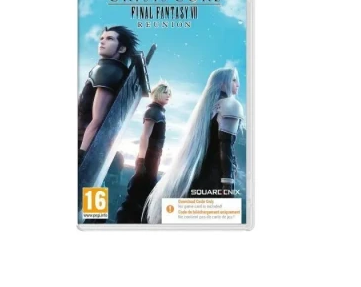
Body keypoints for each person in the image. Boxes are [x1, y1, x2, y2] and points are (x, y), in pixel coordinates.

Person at [144, 67, 243, 224]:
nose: (238, 84)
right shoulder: (230, 105)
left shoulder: (209, 108)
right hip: (216, 177)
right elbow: (226, 147)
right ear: (222, 84)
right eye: (234, 80)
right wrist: (228, 184)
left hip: (199, 175)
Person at [78, 26, 139, 165]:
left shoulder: (108, 69)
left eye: (110, 39)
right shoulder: (108, 68)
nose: (102, 41)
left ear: (121, 49)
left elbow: (97, 120)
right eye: (102, 38)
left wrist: (81, 154)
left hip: (82, 142)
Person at [116, 81, 172, 223]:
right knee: (138, 190)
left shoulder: (158, 111)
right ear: (157, 93)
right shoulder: (153, 111)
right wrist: (141, 161)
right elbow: (144, 137)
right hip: (148, 158)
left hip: (154, 158)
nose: (168, 95)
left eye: (170, 93)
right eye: (165, 92)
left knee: (146, 190)